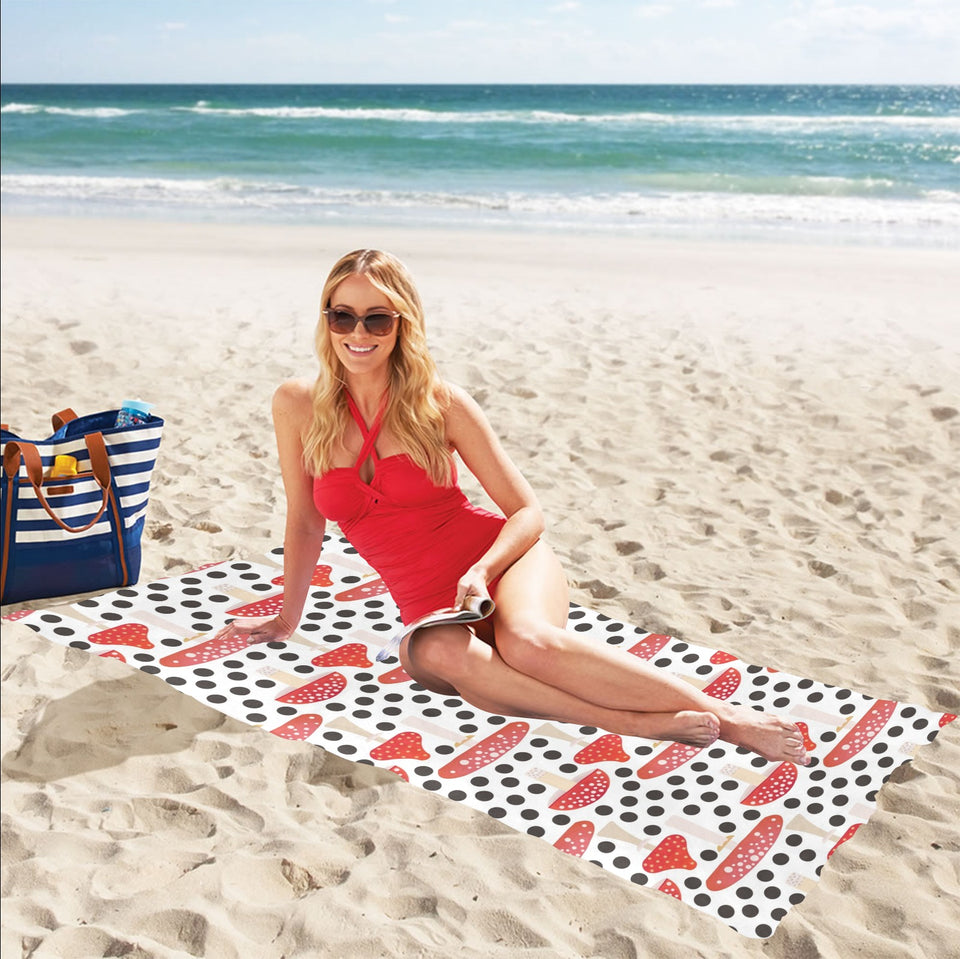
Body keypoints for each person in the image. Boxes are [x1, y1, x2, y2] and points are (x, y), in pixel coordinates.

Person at [220, 249, 809, 765]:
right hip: (428, 599)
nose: (359, 332)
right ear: (326, 319)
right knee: (439, 651)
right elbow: (304, 520)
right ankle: (634, 723)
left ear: (403, 324)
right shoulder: (298, 403)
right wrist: (285, 619)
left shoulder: (441, 404)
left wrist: (481, 570)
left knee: (525, 643)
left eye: (377, 317)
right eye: (342, 315)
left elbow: (527, 512)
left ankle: (728, 720)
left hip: (497, 560)